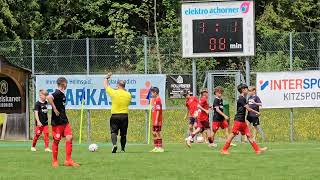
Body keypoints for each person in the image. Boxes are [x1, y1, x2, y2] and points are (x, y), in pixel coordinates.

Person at [221, 84, 267, 155]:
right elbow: (248, 108)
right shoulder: (241, 99)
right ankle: (224, 149)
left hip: (242, 121)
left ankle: (258, 150)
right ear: (243, 90)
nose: (247, 91)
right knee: (233, 134)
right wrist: (257, 112)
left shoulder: (243, 98)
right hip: (238, 120)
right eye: (246, 89)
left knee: (249, 135)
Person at [47, 77, 80, 167]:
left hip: (65, 121)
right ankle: (55, 161)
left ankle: (68, 160)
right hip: (57, 122)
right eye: (66, 83)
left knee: (69, 137)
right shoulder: (57, 93)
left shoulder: (62, 94)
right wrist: (54, 108)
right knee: (57, 141)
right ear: (63, 84)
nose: (67, 85)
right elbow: (49, 97)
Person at [104, 73, 132, 153]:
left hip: (115, 116)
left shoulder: (114, 93)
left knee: (113, 132)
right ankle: (123, 149)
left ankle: (114, 145)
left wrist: (106, 78)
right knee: (123, 134)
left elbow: (106, 85)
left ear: (118, 85)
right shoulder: (128, 94)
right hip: (124, 116)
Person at [150, 87, 164, 152]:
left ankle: (160, 147)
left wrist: (156, 120)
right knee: (153, 133)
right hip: (154, 120)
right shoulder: (154, 99)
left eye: (152, 92)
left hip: (157, 120)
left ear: (155, 93)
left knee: (157, 133)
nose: (151, 94)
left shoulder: (158, 99)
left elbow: (158, 110)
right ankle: (156, 146)